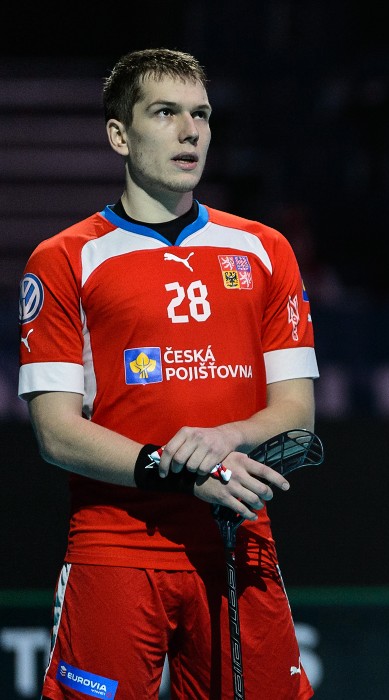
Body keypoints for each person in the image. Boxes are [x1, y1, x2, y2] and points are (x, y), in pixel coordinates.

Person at [18, 49, 318, 699]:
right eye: (166, 112)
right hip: (116, 547)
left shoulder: (266, 250)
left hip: (239, 546)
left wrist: (225, 440)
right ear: (119, 135)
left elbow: (295, 410)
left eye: (201, 115)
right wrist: (180, 470)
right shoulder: (65, 258)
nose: (191, 131)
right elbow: (56, 432)